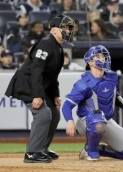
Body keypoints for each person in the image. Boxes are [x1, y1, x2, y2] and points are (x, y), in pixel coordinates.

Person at [5, 14, 75, 163]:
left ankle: (41, 148)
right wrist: (37, 95)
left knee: (54, 115)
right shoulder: (45, 44)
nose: (68, 31)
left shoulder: (59, 49)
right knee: (43, 114)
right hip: (27, 84)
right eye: (66, 28)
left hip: (38, 85)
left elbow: (52, 76)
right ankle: (32, 152)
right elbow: (37, 70)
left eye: (69, 28)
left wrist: (55, 95)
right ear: (54, 30)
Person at [62, 45, 123, 161]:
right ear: (90, 62)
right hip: (86, 122)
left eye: (104, 57)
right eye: (98, 56)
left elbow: (115, 96)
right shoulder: (83, 83)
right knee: (97, 118)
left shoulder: (111, 78)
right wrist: (70, 121)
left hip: (107, 121)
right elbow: (67, 105)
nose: (103, 59)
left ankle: (98, 149)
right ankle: (92, 151)